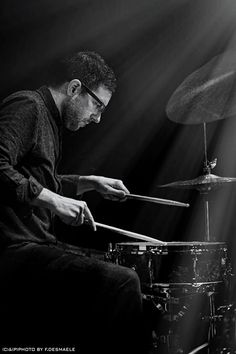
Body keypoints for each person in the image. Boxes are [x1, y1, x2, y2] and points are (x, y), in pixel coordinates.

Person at [0, 52, 151, 353]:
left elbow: (39, 180)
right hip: (13, 249)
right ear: (74, 88)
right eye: (97, 105)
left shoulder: (50, 121)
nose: (97, 118)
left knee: (117, 268)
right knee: (123, 282)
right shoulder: (28, 106)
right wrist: (54, 200)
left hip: (35, 244)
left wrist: (88, 182)